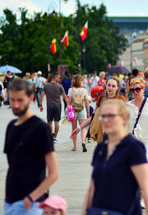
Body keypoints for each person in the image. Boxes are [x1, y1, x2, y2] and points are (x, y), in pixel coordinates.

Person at [82, 99, 148, 215]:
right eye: (103, 116)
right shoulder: (101, 148)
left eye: (111, 116)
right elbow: (92, 186)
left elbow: (146, 189)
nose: (106, 120)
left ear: (124, 118)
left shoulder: (134, 148)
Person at [4, 79, 59, 214]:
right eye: (12, 100)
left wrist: (31, 198)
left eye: (20, 100)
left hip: (31, 204)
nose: (15, 105)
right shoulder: (11, 126)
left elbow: (54, 173)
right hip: (9, 202)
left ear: (31, 98)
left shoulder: (41, 128)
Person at [74, 77, 127, 143]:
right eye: (109, 85)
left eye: (113, 86)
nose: (110, 88)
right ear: (106, 85)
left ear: (117, 88)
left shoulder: (121, 99)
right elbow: (93, 117)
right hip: (102, 136)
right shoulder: (101, 99)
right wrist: (79, 128)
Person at [40, 73, 69, 142]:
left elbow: (42, 95)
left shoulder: (46, 85)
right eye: (58, 78)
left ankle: (51, 135)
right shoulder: (60, 86)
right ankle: (55, 137)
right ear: (55, 78)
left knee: (49, 121)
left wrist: (40, 105)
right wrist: (68, 105)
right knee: (56, 122)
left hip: (49, 105)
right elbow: (65, 96)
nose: (59, 79)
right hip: (57, 105)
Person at [68, 74, 90, 152]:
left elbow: (69, 102)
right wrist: (88, 112)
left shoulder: (71, 90)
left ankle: (75, 147)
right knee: (83, 127)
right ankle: (83, 142)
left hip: (73, 110)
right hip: (82, 110)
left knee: (74, 128)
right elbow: (87, 102)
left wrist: (69, 112)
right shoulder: (84, 90)